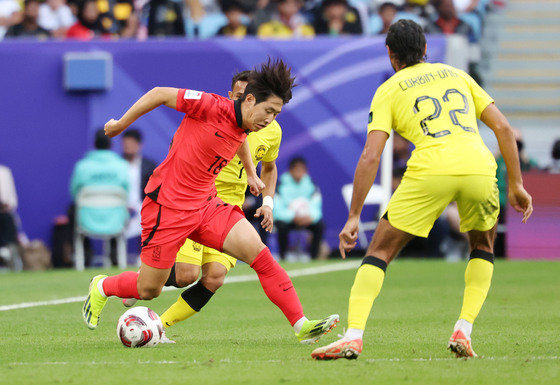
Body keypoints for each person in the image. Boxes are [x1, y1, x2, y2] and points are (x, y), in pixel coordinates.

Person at [311, 20, 533, 360]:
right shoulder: (457, 75)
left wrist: (354, 215)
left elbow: (372, 155)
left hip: (431, 168)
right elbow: (503, 127)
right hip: (478, 165)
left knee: (379, 252)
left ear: (390, 54)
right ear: (425, 49)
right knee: (482, 247)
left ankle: (353, 336)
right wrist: (516, 184)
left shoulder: (389, 89)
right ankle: (464, 328)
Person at [82, 58, 339, 346]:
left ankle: (301, 325)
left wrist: (252, 174)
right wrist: (120, 125)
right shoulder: (209, 105)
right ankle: (102, 286)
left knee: (260, 254)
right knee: (149, 289)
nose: (270, 119)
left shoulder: (247, 124)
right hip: (167, 206)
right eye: (268, 111)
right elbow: (159, 93)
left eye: (276, 114)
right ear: (249, 99)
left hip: (206, 205)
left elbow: (239, 136)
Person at [131, 70, 285, 338]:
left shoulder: (271, 130)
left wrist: (268, 201)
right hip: (198, 202)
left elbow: (269, 168)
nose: (242, 104)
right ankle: (140, 280)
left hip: (230, 209)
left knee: (214, 277)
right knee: (186, 275)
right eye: (238, 97)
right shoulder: (220, 117)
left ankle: (158, 327)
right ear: (236, 97)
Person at [70, 129, 130, 267]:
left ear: (94, 144)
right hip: (116, 220)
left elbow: (74, 192)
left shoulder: (82, 166)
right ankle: (116, 258)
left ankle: (84, 257)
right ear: (111, 144)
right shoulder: (121, 166)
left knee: (72, 211)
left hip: (86, 220)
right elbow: (126, 193)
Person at [274, 157, 324, 260]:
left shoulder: (311, 184)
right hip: (288, 219)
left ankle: (313, 257)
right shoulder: (281, 185)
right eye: (296, 169)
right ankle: (283, 256)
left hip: (306, 218)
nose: (299, 173)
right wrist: (292, 216)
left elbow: (316, 206)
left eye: (302, 170)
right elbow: (277, 209)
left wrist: (311, 217)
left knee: (320, 225)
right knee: (281, 226)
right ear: (290, 170)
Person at [121, 128, 157, 241]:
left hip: (142, 206)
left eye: (132, 143)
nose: (128, 146)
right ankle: (114, 255)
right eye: (126, 143)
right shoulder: (116, 165)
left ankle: (143, 256)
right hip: (120, 206)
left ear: (139, 145)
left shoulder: (149, 166)